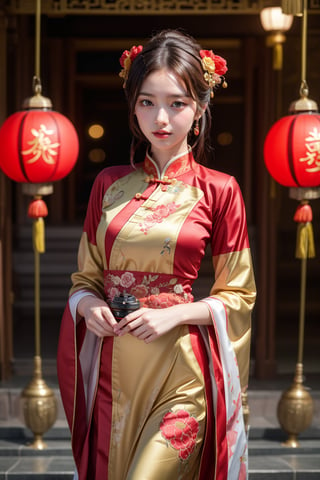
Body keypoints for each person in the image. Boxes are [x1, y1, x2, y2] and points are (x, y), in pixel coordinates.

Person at [57, 29, 256, 480]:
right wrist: (88, 307)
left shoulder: (219, 190)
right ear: (133, 107)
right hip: (114, 371)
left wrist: (176, 314)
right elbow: (84, 281)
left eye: (177, 103)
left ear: (201, 108)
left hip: (181, 372)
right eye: (147, 102)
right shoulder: (109, 185)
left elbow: (239, 295)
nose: (160, 118)